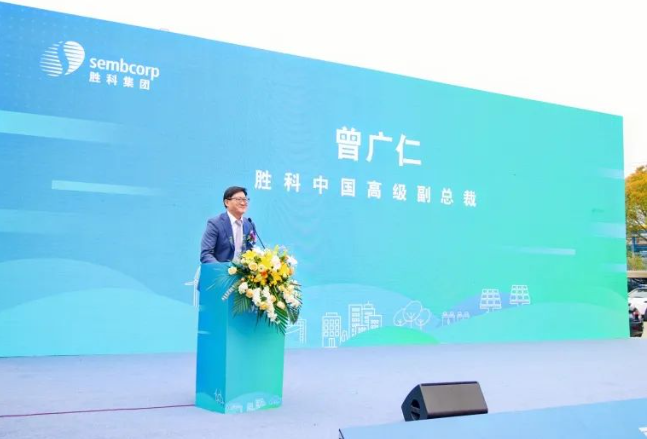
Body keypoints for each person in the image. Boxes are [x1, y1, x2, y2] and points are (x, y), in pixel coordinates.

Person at [200, 186, 255, 263]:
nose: (243, 203)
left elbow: (251, 251)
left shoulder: (249, 224)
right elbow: (206, 254)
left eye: (245, 199)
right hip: (220, 269)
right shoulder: (215, 223)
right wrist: (222, 269)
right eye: (238, 199)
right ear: (227, 202)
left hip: (242, 270)